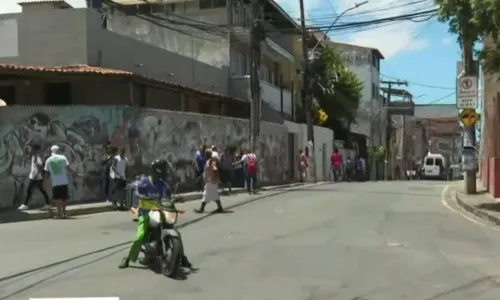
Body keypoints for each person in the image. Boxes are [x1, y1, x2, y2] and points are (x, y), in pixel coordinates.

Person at [119, 159, 194, 269]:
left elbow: (166, 197)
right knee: (139, 236)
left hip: (159, 211)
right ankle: (127, 259)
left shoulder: (162, 184)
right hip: (145, 213)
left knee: (176, 231)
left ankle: (182, 257)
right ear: (156, 171)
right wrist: (141, 196)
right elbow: (136, 192)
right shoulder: (144, 181)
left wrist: (174, 200)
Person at [44, 145, 74, 219]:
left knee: (57, 199)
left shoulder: (49, 160)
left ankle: (59, 214)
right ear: (58, 150)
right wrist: (76, 173)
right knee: (64, 198)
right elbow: (68, 168)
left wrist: (44, 181)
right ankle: (64, 213)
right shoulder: (63, 158)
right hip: (64, 181)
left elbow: (46, 173)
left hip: (55, 182)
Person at [19, 144, 51, 210]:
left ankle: (25, 205)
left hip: (35, 177)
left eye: (32, 149)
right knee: (41, 190)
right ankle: (48, 204)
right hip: (35, 176)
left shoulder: (37, 157)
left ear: (35, 150)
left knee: (29, 190)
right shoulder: (34, 156)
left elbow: (40, 166)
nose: (31, 150)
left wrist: (36, 175)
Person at [194, 149, 224, 213]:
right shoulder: (209, 161)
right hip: (210, 181)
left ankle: (201, 209)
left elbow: (215, 169)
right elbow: (207, 171)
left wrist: (213, 178)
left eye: (205, 154)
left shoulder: (211, 161)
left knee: (206, 194)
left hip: (211, 181)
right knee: (214, 195)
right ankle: (220, 207)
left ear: (206, 155)